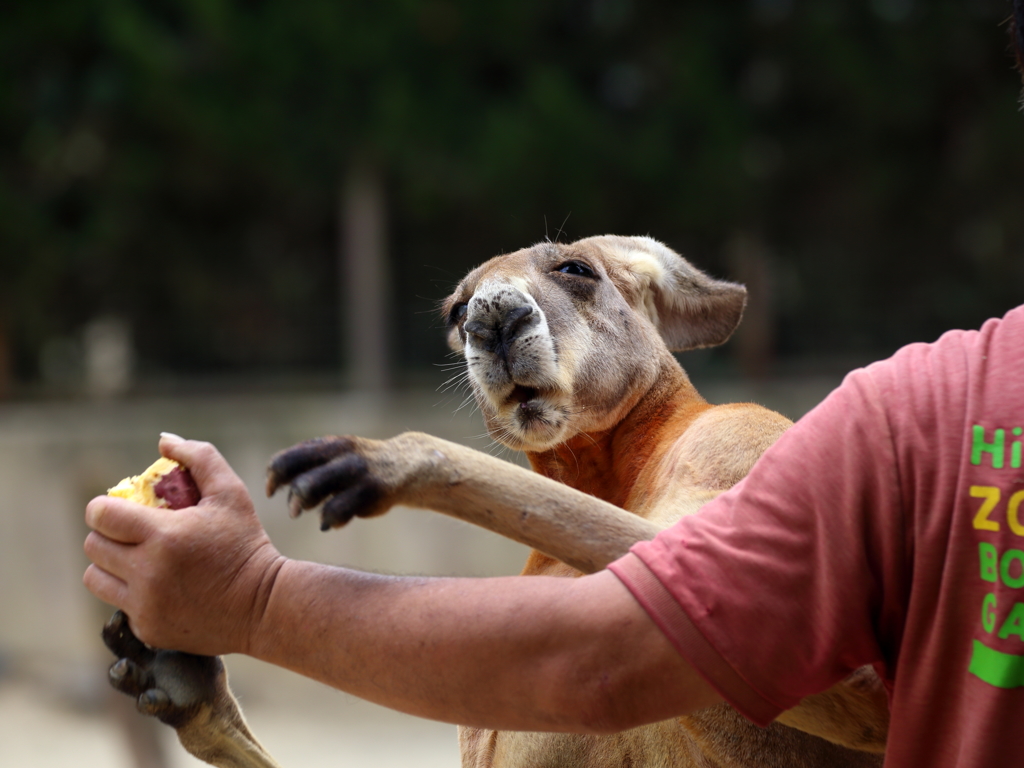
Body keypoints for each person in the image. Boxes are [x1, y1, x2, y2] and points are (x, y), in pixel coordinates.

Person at [84, 12, 1023, 767]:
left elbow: (660, 632)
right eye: (468, 320)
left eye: (571, 275)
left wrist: (425, 475)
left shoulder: (738, 444)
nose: (499, 317)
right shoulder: (531, 596)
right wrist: (225, 737)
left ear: (655, 303)